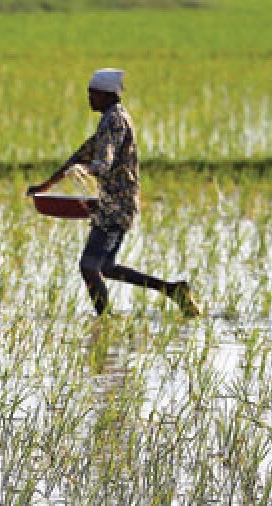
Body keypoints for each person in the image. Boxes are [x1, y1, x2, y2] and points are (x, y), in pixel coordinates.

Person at [28, 68, 201, 319]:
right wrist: (46, 185)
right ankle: (173, 290)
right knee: (104, 267)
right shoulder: (110, 118)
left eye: (92, 94)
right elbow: (82, 153)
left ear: (106, 94)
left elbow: (103, 161)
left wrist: (86, 170)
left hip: (116, 206)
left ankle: (106, 322)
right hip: (112, 204)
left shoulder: (114, 121)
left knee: (89, 267)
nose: (89, 99)